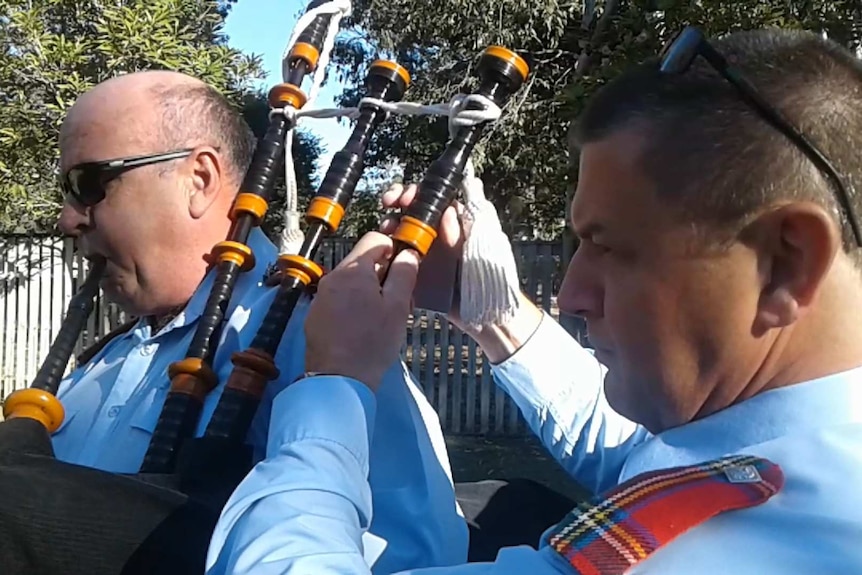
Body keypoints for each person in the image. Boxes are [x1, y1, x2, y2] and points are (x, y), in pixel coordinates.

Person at [207, 27, 862, 573]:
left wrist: (333, 383)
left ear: (786, 262)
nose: (573, 293)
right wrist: (495, 315)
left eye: (611, 247)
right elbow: (640, 456)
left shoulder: (747, 540)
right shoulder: (797, 445)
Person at [51, 70, 467, 573]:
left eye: (89, 184)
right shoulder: (102, 360)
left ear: (198, 180)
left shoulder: (319, 347)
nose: (68, 218)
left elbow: (416, 560)